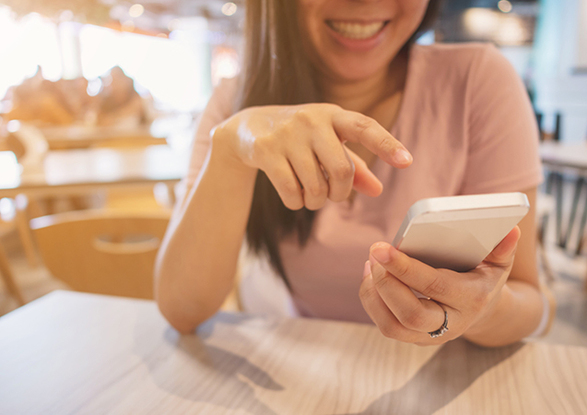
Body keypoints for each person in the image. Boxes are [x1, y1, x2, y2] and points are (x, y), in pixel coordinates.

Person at [155, 0, 551, 347]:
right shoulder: (237, 102)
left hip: (447, 373)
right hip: (310, 367)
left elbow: (531, 303)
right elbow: (182, 310)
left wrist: (481, 309)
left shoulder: (478, 80)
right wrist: (230, 150)